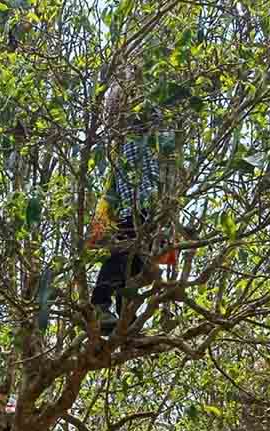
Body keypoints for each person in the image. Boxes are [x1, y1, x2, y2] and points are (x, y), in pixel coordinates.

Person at [89, 64, 161, 336]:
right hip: (135, 198)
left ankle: (125, 321)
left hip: (144, 199)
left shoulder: (139, 120)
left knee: (135, 260)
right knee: (124, 251)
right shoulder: (130, 108)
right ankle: (100, 303)